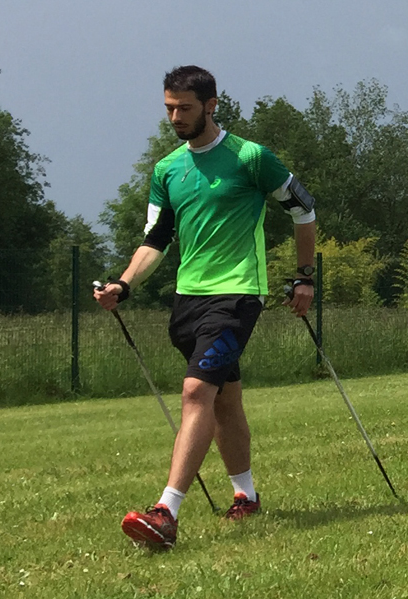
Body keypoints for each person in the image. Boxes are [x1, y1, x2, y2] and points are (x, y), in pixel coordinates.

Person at [94, 65, 316, 550]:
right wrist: (123, 284)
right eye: (169, 108)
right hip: (188, 298)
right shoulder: (167, 169)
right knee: (224, 400)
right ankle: (247, 496)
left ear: (212, 105)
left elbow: (304, 208)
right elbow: (156, 238)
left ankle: (165, 512)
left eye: (185, 108)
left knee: (197, 391)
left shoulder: (251, 157)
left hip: (237, 293)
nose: (175, 116)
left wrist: (304, 276)